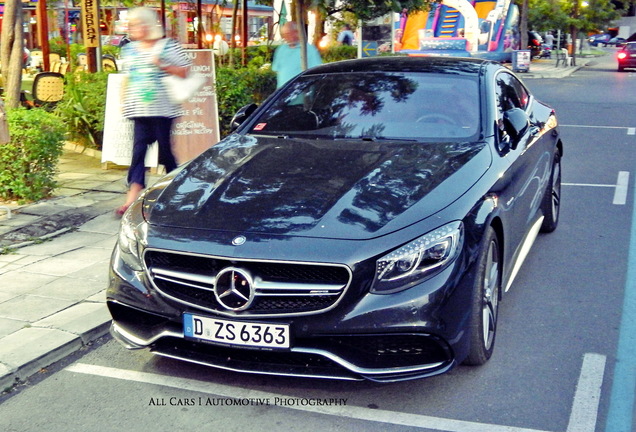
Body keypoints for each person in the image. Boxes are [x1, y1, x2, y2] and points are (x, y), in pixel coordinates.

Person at [115, 7, 191, 216]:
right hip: (138, 109)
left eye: (135, 24)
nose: (131, 28)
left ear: (147, 25)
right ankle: (133, 194)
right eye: (130, 25)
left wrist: (162, 64)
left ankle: (176, 192)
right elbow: (128, 77)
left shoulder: (167, 46)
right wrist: (123, 101)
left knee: (165, 153)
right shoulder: (129, 49)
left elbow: (185, 71)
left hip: (162, 109)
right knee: (138, 152)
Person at [272, 22, 322, 88]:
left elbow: (316, 72)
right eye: (285, 34)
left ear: (297, 33)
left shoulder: (308, 49)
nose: (288, 37)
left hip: (300, 91)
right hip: (283, 91)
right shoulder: (281, 49)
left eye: (291, 33)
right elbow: (276, 69)